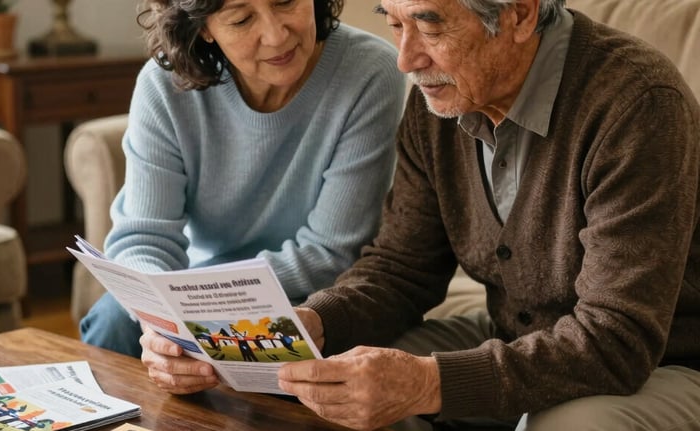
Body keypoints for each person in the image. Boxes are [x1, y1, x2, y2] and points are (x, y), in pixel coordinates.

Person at [142, 0, 700, 429]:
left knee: (572, 423)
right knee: (313, 375)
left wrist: (428, 384)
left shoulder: (637, 104)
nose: (406, 59)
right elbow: (400, 271)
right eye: (394, 23)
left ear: (520, 13)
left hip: (665, 362)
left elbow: (617, 340)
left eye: (430, 26)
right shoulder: (440, 99)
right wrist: (305, 325)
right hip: (520, 338)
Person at [79, 0, 406, 357]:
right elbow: (142, 239)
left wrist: (210, 300)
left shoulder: (369, 70)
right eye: (242, 19)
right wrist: (161, 322)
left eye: (286, 2)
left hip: (309, 293)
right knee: (113, 321)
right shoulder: (164, 85)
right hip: (193, 289)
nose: (276, 35)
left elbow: (332, 251)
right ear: (203, 27)